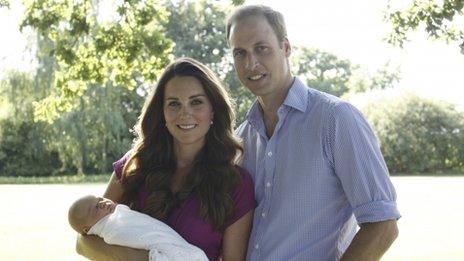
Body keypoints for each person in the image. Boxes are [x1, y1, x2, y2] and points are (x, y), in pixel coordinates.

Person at [226, 5, 401, 260]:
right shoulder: (242, 138)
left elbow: (383, 225)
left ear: (286, 47)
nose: (250, 63)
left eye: (261, 48)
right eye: (240, 53)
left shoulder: (336, 119)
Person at [76, 57, 255, 261]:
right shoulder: (134, 165)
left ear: (213, 109)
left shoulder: (236, 184)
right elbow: (84, 242)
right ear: (162, 112)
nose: (185, 113)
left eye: (196, 102)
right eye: (174, 104)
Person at [68, 195, 208, 261]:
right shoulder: (110, 229)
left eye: (100, 200)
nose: (103, 203)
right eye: (96, 208)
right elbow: (81, 244)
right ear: (87, 229)